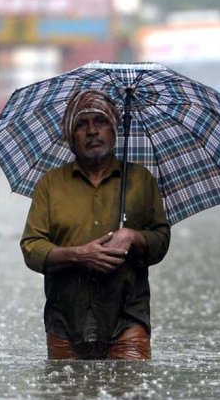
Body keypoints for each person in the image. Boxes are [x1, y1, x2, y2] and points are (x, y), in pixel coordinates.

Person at [20, 89, 171, 360]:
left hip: (127, 319)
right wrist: (79, 255)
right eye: (81, 124)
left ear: (114, 131)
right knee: (66, 398)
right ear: (69, 137)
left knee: (130, 397)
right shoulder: (51, 184)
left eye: (100, 122)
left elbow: (160, 241)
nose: (92, 131)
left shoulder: (140, 181)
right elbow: (32, 248)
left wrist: (133, 236)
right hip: (66, 321)